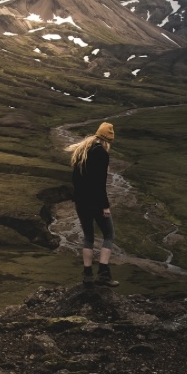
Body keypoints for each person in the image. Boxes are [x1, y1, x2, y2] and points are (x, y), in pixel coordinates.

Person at [66, 121, 119, 288]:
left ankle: (87, 275)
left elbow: (75, 179)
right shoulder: (101, 153)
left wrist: (78, 197)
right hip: (95, 202)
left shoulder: (82, 151)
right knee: (109, 235)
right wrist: (105, 206)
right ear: (107, 140)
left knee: (88, 237)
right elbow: (99, 183)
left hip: (81, 202)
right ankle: (103, 274)